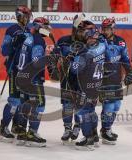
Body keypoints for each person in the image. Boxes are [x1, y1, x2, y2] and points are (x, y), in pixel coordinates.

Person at [67, 20, 106, 150]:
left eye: (85, 33)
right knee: (91, 110)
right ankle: (94, 136)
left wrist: (71, 59)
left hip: (86, 86)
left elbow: (75, 69)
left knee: (83, 111)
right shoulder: (102, 46)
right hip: (97, 85)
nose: (83, 36)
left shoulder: (85, 52)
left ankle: (88, 138)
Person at [15, 17, 52, 147]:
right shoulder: (38, 40)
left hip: (22, 77)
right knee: (39, 105)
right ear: (39, 27)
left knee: (25, 104)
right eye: (46, 27)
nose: (48, 29)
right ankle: (32, 133)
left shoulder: (29, 38)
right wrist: (50, 59)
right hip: (33, 80)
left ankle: (21, 133)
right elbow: (37, 62)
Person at [0, 6, 32, 143]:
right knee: (14, 101)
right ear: (20, 16)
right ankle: (3, 127)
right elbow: (3, 51)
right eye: (27, 16)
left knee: (23, 101)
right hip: (14, 70)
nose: (28, 19)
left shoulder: (28, 31)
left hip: (26, 72)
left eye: (29, 16)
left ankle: (16, 127)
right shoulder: (12, 30)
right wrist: (13, 42)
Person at [99, 18, 132, 145]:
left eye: (107, 29)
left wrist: (130, 72)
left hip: (116, 79)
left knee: (116, 106)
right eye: (103, 28)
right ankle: (105, 130)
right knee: (108, 105)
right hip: (103, 79)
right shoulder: (98, 40)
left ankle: (107, 128)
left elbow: (125, 59)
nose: (104, 31)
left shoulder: (120, 42)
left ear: (113, 29)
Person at [51, 14, 86, 144]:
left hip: (82, 78)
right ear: (74, 27)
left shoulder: (87, 42)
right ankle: (67, 128)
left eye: (83, 29)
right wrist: (54, 66)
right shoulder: (63, 40)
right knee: (67, 105)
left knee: (79, 104)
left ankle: (77, 126)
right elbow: (53, 55)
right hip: (66, 77)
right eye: (79, 28)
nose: (81, 31)